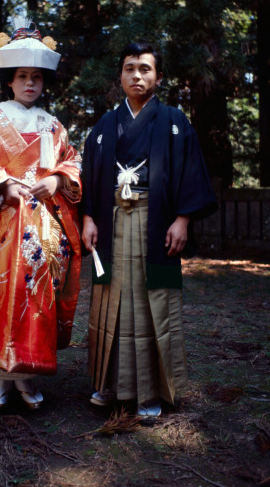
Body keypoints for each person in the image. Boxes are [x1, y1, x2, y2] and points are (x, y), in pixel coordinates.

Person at [0, 17, 82, 411]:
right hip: (2, 222)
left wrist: (59, 181)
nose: (30, 83)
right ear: (9, 79)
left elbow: (72, 162)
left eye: (37, 77)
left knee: (36, 297)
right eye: (22, 76)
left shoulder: (53, 125)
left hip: (43, 228)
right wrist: (4, 184)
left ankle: (26, 373)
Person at [81, 42, 217, 419]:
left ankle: (151, 393)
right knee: (109, 300)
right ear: (120, 75)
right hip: (109, 225)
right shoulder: (106, 125)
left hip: (157, 223)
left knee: (153, 302)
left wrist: (183, 219)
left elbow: (191, 174)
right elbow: (88, 177)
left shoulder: (175, 121)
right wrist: (88, 217)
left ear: (158, 76)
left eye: (145, 68)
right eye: (129, 68)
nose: (137, 75)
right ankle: (108, 386)